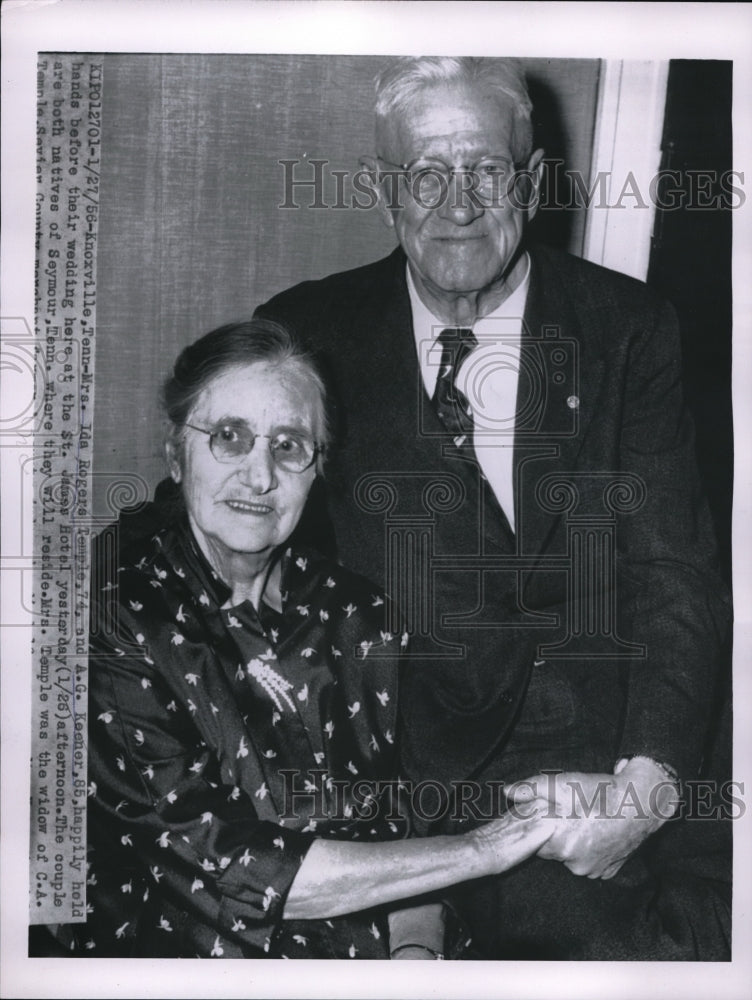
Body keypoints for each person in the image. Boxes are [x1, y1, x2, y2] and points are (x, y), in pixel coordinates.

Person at [252, 57, 733, 958]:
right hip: (403, 767)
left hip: (595, 756)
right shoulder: (311, 335)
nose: (457, 204)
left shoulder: (628, 330)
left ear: (537, 181)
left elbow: (675, 577)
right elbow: (229, 516)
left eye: (486, 172)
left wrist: (643, 782)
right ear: (383, 188)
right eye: (426, 174)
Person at [53, 318, 554, 960]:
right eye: (229, 438)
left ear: (317, 469)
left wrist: (416, 955)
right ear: (177, 453)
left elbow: (403, 836)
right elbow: (229, 865)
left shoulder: (359, 612)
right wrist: (487, 849)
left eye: (289, 446)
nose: (259, 476)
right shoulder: (112, 619)